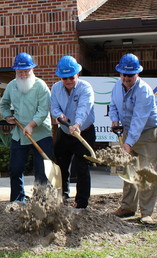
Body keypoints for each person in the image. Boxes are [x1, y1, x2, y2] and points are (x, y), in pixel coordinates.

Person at [109, 53, 157, 224]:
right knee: (128, 170)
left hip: (147, 132)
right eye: (123, 74)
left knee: (146, 172)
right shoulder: (118, 86)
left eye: (130, 75)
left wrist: (128, 144)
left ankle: (146, 212)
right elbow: (113, 106)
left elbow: (139, 121)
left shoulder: (144, 91)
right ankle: (127, 207)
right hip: (128, 130)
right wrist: (115, 120)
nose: (126, 78)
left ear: (137, 74)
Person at [0, 52, 53, 202]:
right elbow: (3, 104)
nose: (23, 74)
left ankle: (42, 201)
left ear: (32, 70)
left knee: (41, 171)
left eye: (26, 71)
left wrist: (31, 125)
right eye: (19, 71)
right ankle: (17, 200)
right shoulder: (11, 86)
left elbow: (43, 111)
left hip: (41, 134)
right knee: (15, 168)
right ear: (15, 71)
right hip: (19, 133)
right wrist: (7, 116)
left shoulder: (41, 86)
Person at [50, 56, 95, 208]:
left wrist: (77, 124)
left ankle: (82, 203)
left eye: (71, 77)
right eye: (64, 78)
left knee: (82, 167)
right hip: (64, 133)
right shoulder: (56, 88)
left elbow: (84, 108)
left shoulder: (85, 88)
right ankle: (62, 197)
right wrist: (58, 115)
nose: (68, 81)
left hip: (84, 132)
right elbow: (54, 106)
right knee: (61, 166)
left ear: (78, 75)